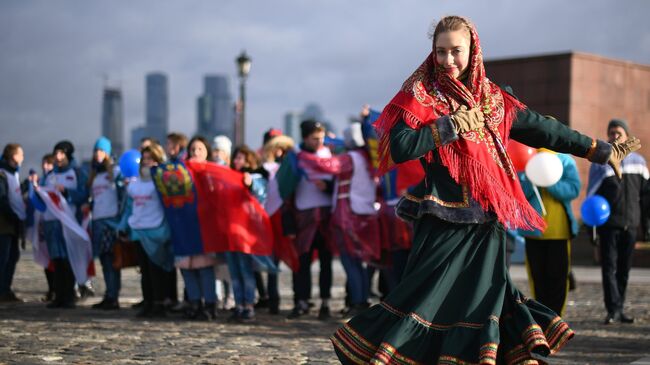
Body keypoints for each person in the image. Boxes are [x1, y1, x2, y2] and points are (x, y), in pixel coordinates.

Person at [331, 16, 640, 364]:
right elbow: (400, 147)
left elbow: (543, 130)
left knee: (486, 299)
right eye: (441, 52)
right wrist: (448, 126)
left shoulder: (494, 99)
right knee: (425, 297)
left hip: (487, 219)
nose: (448, 60)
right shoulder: (419, 94)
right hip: (442, 219)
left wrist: (598, 150)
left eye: (456, 51)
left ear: (473, 50)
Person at [587, 119, 648, 324]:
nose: (614, 136)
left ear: (627, 136)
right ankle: (612, 309)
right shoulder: (600, 163)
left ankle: (620, 307)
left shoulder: (639, 162)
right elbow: (592, 196)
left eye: (618, 133)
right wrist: (592, 230)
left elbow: (646, 195)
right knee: (609, 268)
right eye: (611, 133)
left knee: (624, 268)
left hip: (631, 223)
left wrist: (646, 225)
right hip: (608, 226)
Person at [519, 149, 581, 316]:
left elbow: (574, 189)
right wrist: (531, 180)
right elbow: (518, 192)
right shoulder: (526, 157)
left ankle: (556, 320)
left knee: (558, 279)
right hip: (533, 232)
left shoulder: (565, 160)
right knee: (537, 279)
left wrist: (549, 181)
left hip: (559, 232)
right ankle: (541, 318)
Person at [285, 120, 335, 320]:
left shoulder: (329, 155)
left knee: (326, 262)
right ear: (305, 138)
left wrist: (328, 187)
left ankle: (325, 303)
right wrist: (288, 223)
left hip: (325, 216)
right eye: (315, 138)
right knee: (301, 263)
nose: (319, 142)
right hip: (302, 216)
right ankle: (301, 301)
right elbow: (285, 191)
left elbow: (338, 184)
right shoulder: (294, 158)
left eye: (321, 138)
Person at [122, 144, 174, 318]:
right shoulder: (134, 183)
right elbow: (130, 207)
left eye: (151, 159)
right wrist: (123, 227)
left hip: (156, 229)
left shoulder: (161, 181)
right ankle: (149, 302)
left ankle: (160, 303)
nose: (147, 162)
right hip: (139, 229)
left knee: (157, 269)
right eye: (144, 159)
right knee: (144, 271)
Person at [41, 141, 89, 309]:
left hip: (68, 221)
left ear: (68, 155)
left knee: (68, 258)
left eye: (62, 154)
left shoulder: (76, 173)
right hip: (51, 222)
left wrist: (67, 192)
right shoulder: (49, 175)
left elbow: (83, 194)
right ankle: (58, 295)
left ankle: (69, 295)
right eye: (56, 154)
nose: (58, 157)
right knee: (57, 259)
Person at [175, 136, 218, 320]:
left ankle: (210, 304)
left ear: (207, 152)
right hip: (184, 226)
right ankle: (194, 303)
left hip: (203, 227)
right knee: (187, 268)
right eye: (193, 149)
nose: (196, 153)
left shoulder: (212, 172)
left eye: (200, 149)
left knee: (204, 267)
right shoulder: (180, 172)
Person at [86, 137, 124, 310]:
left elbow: (122, 195)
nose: (98, 154)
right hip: (97, 220)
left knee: (111, 260)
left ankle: (113, 295)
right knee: (103, 259)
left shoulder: (115, 172)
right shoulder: (95, 174)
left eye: (101, 151)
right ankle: (108, 293)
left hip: (111, 220)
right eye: (96, 151)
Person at [0, 143, 27, 303]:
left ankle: (5, 289)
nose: (23, 157)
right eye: (21, 154)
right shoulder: (2, 174)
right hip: (5, 224)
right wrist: (13, 216)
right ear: (13, 156)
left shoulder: (13, 174)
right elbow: (2, 199)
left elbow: (15, 195)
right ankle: (2, 290)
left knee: (12, 256)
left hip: (13, 223)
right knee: (4, 258)